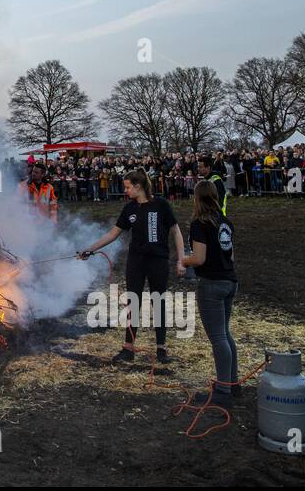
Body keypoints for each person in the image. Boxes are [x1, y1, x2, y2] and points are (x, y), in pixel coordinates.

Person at [78, 170, 185, 364]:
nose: (125, 190)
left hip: (158, 260)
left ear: (138, 186)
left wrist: (181, 259)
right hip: (136, 261)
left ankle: (161, 349)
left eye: (127, 187)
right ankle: (128, 348)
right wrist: (90, 249)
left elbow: (176, 231)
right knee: (133, 302)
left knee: (158, 301)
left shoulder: (161, 205)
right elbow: (113, 234)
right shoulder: (129, 209)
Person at [177, 180, 238, 408]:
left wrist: (184, 259)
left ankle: (223, 390)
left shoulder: (199, 223)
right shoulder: (225, 222)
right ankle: (232, 383)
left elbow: (199, 258)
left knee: (218, 337)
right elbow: (231, 256)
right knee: (225, 333)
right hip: (230, 280)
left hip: (211, 284)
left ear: (197, 198)